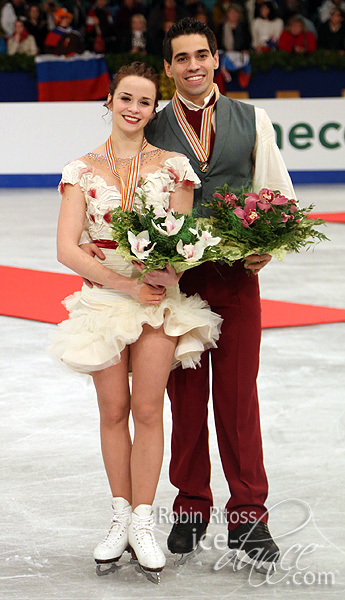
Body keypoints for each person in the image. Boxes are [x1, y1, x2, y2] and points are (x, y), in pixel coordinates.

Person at [48, 61, 222, 577]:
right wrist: (124, 282)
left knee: (147, 409)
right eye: (126, 98)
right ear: (110, 101)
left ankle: (144, 521)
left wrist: (166, 272)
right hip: (106, 297)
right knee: (113, 409)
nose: (134, 108)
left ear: (154, 109)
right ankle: (119, 516)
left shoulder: (174, 166)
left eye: (145, 101)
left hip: (156, 301)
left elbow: (183, 241)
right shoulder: (80, 168)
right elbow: (65, 248)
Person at [143, 17, 296, 569]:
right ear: (168, 69)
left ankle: (249, 515)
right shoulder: (152, 128)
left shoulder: (251, 119)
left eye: (202, 55)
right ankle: (190, 508)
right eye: (182, 58)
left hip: (235, 281)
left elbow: (276, 193)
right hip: (178, 284)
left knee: (237, 400)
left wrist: (269, 247)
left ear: (216, 59)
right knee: (185, 403)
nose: (194, 66)